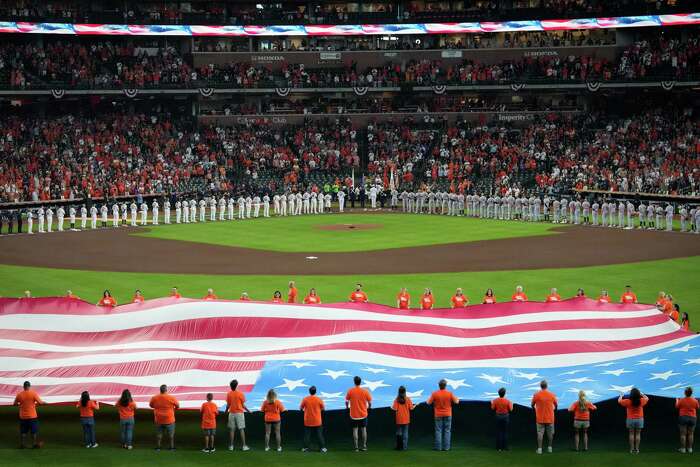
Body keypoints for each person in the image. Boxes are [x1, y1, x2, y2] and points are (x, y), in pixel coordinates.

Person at [428, 379, 459, 451]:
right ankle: (446, 447)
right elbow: (456, 402)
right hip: (448, 414)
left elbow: (428, 402)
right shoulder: (449, 393)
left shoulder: (434, 393)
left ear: (439, 385)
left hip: (438, 414)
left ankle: (438, 447)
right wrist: (457, 399)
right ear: (445, 385)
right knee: (447, 431)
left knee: (438, 430)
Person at [14, 381, 44, 449]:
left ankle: (22, 444)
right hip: (32, 416)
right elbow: (40, 402)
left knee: (23, 431)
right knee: (33, 431)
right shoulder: (33, 393)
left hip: (23, 416)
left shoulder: (19, 394)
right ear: (29, 386)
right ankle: (34, 444)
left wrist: (20, 404)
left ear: (23, 387)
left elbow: (14, 404)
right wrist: (45, 403)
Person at [345, 376, 372, 451]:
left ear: (354, 382)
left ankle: (356, 447)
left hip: (354, 415)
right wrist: (369, 408)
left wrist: (347, 407)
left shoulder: (350, 391)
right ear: (360, 382)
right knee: (363, 430)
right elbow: (370, 402)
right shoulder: (365, 391)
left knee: (355, 430)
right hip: (363, 414)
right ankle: (364, 446)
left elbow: (346, 401)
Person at [150, 384, 179, 451]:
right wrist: (174, 409)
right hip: (169, 419)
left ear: (160, 390)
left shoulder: (154, 397)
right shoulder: (171, 397)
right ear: (166, 390)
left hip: (158, 418)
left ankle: (158, 447)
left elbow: (151, 405)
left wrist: (157, 407)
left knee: (159, 434)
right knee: (171, 434)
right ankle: (171, 447)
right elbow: (177, 405)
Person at [531, 380, 557, 454]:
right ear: (547, 386)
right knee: (550, 433)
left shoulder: (536, 395)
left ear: (540, 386)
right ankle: (550, 448)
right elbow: (556, 405)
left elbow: (532, 404)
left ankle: (539, 449)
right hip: (550, 417)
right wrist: (554, 410)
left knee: (540, 433)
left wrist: (534, 409)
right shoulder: (552, 394)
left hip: (540, 417)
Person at [300, 386, 326, 452]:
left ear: (309, 391)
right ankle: (322, 448)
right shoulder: (319, 399)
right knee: (319, 435)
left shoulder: (305, 399)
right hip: (317, 420)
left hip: (308, 420)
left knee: (307, 435)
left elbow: (301, 408)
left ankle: (305, 448)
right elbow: (323, 408)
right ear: (315, 391)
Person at [226, 379, 250, 451]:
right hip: (239, 413)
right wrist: (248, 411)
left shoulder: (229, 394)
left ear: (231, 386)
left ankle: (231, 446)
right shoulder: (240, 394)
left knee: (232, 430)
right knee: (241, 429)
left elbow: (228, 405)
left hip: (231, 413)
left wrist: (225, 411)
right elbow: (243, 405)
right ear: (236, 385)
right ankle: (244, 446)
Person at [391, 386, 415, 451]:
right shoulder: (408, 399)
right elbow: (411, 408)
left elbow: (394, 408)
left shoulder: (396, 399)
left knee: (398, 432)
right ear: (405, 392)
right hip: (406, 419)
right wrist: (414, 405)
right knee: (405, 433)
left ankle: (399, 446)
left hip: (399, 419)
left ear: (398, 392)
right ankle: (404, 447)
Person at [676, 387, 699, 453]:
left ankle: (683, 449)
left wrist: (677, 400)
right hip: (692, 418)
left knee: (683, 434)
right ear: (691, 393)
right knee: (691, 434)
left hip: (683, 417)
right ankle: (690, 449)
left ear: (685, 392)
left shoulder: (682, 400)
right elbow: (697, 407)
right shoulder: (695, 400)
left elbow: (677, 406)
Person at [491, 387, 513, 451]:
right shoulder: (508, 401)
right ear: (504, 393)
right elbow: (511, 409)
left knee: (498, 432)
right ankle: (505, 447)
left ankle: (499, 448)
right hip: (505, 417)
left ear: (499, 393)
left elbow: (492, 408)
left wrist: (492, 403)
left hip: (498, 417)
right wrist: (511, 404)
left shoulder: (495, 400)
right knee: (505, 432)